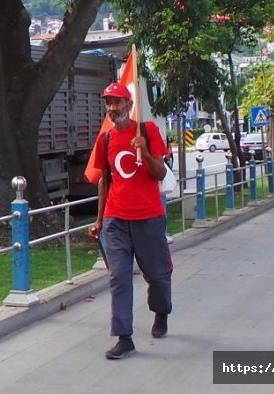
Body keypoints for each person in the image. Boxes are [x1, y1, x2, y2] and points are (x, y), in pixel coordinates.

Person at [90, 82, 173, 360]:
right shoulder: (105, 139)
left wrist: (145, 152)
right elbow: (105, 180)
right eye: (108, 104)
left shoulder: (147, 131)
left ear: (129, 104)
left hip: (148, 217)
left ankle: (161, 312)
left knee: (158, 276)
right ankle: (124, 338)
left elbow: (160, 173)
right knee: (119, 278)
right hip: (116, 219)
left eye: (117, 102)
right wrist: (100, 220)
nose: (113, 108)